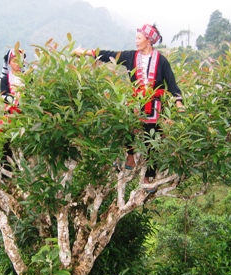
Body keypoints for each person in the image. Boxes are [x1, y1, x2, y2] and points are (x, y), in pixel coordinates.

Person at [74, 23, 185, 191]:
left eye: (139, 38)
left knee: (152, 140)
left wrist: (178, 102)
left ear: (148, 40)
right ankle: (130, 157)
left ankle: (149, 176)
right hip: (135, 103)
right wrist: (85, 53)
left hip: (154, 106)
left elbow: (172, 84)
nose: (136, 41)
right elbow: (108, 55)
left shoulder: (161, 61)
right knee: (127, 127)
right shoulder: (131, 56)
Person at [0, 47, 26, 176]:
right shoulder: (5, 80)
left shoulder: (28, 78)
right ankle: (7, 174)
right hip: (10, 115)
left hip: (26, 115)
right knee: (7, 144)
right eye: (14, 60)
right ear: (9, 62)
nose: (17, 63)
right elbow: (5, 98)